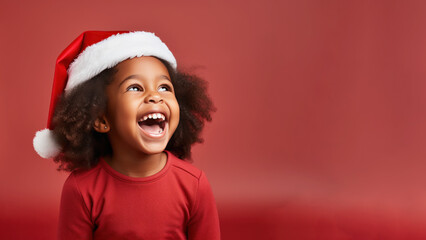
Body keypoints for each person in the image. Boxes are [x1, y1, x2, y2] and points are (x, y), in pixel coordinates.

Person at [33, 31, 220, 240]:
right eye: (135, 87)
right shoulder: (81, 190)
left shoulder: (194, 185)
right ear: (101, 119)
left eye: (164, 87)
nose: (155, 96)